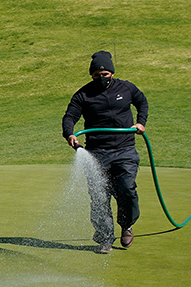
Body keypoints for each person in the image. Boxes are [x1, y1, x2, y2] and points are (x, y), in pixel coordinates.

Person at [62, 51, 149, 254]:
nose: (101, 78)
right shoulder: (83, 95)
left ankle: (126, 225)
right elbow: (69, 116)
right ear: (92, 75)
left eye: (105, 74)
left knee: (127, 190)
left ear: (112, 72)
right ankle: (104, 239)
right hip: (97, 153)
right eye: (97, 75)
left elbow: (142, 102)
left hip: (125, 149)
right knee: (100, 196)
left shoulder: (126, 87)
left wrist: (140, 122)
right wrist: (70, 134)